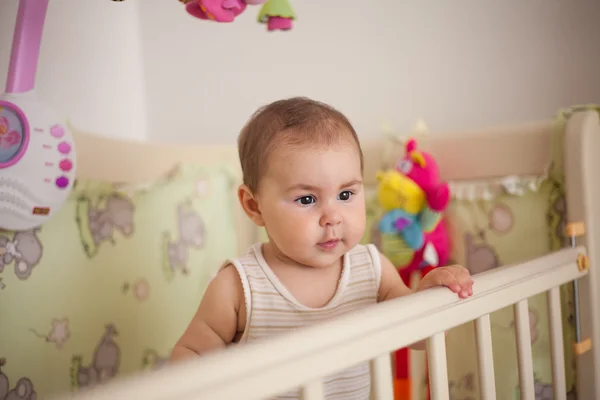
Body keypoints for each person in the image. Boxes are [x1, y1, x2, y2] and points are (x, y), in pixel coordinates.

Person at [169, 97, 474, 399]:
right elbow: (192, 356)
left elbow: (418, 335)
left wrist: (430, 298)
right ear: (254, 205)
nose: (332, 218)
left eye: (345, 194)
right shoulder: (240, 286)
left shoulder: (371, 269)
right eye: (307, 199)